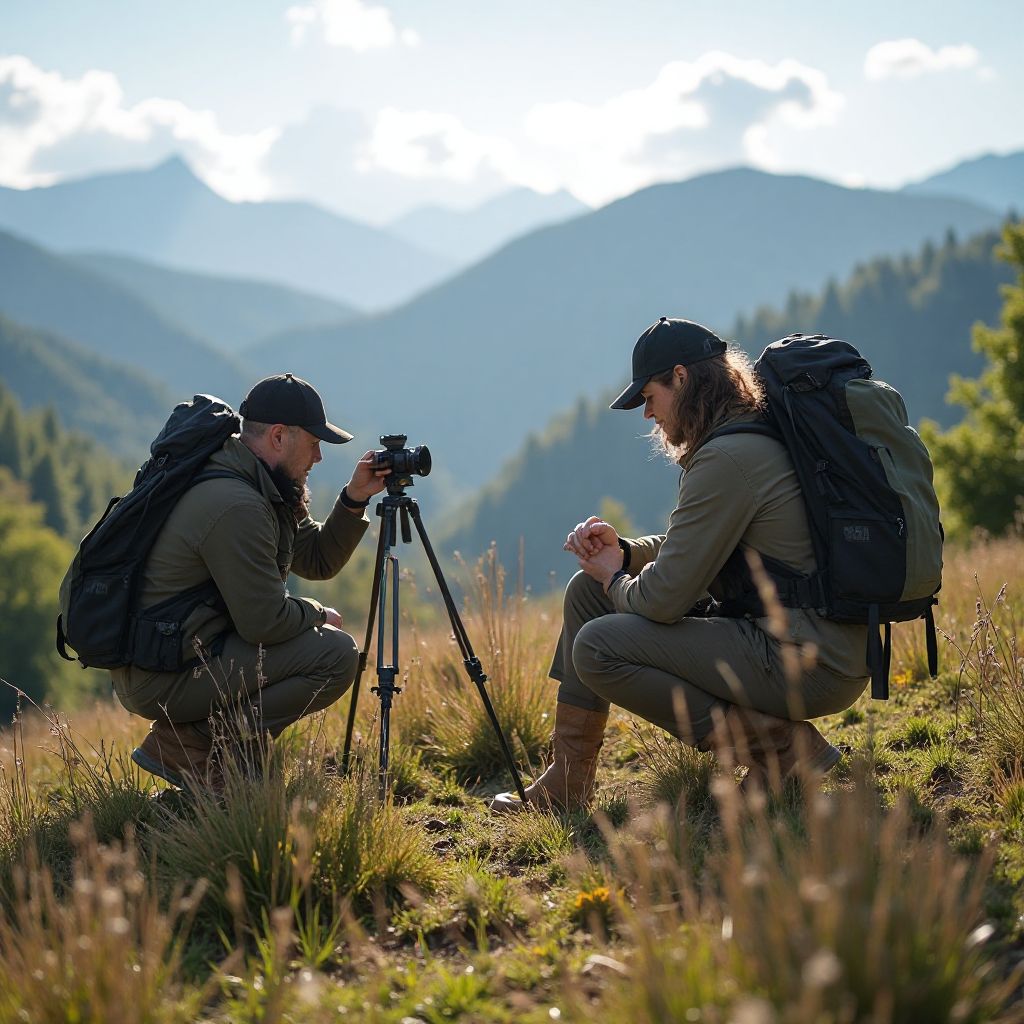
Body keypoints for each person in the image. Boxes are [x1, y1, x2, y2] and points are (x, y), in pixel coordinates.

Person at [491, 318, 870, 812]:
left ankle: (782, 751)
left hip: (808, 660)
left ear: (682, 378)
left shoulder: (728, 458)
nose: (647, 413)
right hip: (810, 642)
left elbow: (664, 599)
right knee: (585, 595)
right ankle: (568, 783)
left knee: (600, 646)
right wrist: (625, 553)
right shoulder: (746, 438)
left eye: (649, 396)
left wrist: (614, 576)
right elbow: (696, 546)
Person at [115, 373, 390, 791]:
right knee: (334, 655)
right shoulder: (237, 504)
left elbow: (315, 559)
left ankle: (218, 763)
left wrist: (354, 499)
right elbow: (262, 622)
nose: (318, 457)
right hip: (162, 673)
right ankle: (190, 743)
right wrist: (317, 612)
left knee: (320, 646)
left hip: (183, 653)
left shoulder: (257, 485)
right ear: (279, 437)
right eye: (314, 443)